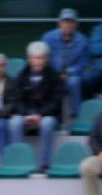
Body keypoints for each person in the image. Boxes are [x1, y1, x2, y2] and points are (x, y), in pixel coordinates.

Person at [9, 41, 64, 172]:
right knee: (14, 123)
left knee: (47, 123)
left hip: (48, 116)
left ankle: (44, 164)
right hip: (26, 115)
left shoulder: (54, 76)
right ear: (29, 59)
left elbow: (56, 102)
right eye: (34, 58)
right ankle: (19, 162)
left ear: (46, 59)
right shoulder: (21, 75)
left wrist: (40, 115)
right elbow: (16, 99)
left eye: (41, 58)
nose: (38, 61)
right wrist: (25, 115)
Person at [42, 8, 89, 118]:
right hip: (51, 73)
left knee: (74, 81)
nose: (67, 25)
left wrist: (68, 72)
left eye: (71, 22)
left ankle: (75, 115)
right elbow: (44, 58)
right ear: (59, 23)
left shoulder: (82, 40)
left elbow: (84, 62)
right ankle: (51, 115)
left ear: (76, 24)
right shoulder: (48, 37)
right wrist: (56, 73)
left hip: (71, 75)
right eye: (65, 21)